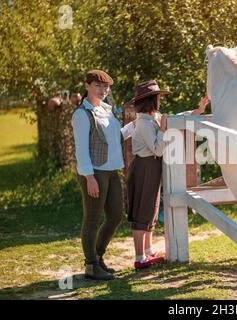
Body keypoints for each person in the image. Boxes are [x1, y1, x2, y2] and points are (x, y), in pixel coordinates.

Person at [127, 80, 209, 269]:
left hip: (152, 169)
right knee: (142, 211)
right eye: (157, 98)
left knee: (151, 210)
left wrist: (197, 111)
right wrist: (163, 129)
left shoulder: (152, 118)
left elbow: (178, 117)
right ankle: (140, 258)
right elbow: (157, 149)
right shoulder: (144, 123)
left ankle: (148, 252)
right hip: (144, 168)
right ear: (151, 101)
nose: (160, 101)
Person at [72, 70, 135, 280]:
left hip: (111, 171)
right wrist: (89, 177)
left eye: (106, 87)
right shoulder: (82, 114)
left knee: (116, 215)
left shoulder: (107, 110)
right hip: (95, 172)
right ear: (87, 86)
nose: (103, 90)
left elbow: (115, 138)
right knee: (92, 219)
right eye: (98, 86)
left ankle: (98, 256)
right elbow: (81, 149)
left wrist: (134, 126)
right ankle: (91, 266)